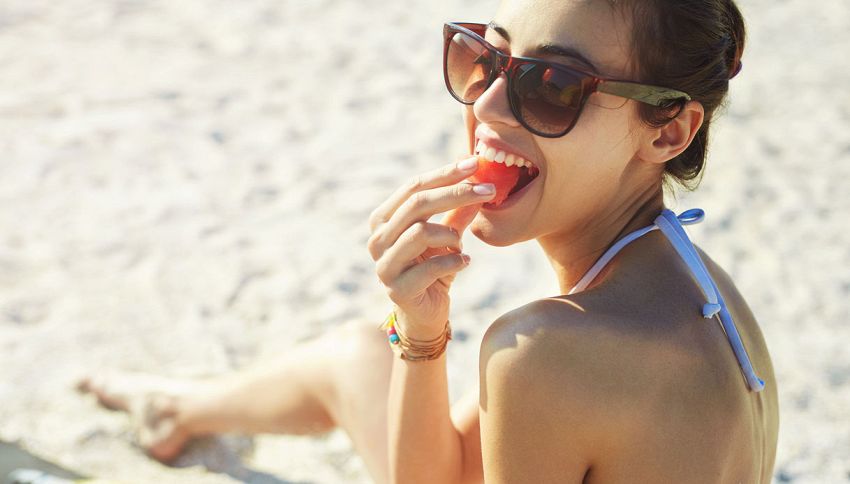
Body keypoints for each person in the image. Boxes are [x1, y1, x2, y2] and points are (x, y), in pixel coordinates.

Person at [78, 0, 780, 482]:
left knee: (364, 358)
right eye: (488, 59)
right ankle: (177, 410)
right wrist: (419, 332)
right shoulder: (704, 295)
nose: (486, 105)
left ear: (668, 131)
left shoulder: (545, 352)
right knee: (360, 353)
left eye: (555, 85)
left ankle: (176, 409)